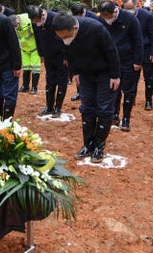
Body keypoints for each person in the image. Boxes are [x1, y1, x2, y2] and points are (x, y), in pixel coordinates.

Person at [51, 13, 120, 162]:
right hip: (84, 73)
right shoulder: (62, 33)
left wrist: (115, 75)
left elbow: (111, 51)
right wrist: (74, 72)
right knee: (87, 107)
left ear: (75, 28)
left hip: (105, 73)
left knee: (104, 108)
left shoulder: (96, 28)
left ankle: (99, 147)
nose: (64, 40)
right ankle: (87, 144)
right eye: (60, 37)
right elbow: (67, 52)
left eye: (66, 36)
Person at [96, 0, 143, 130]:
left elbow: (138, 40)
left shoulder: (130, 19)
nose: (107, 19)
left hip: (128, 59)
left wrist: (138, 61)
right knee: (114, 89)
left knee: (128, 90)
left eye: (109, 17)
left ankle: (126, 118)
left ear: (115, 11)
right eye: (104, 16)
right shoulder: (100, 20)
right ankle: (114, 115)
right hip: (110, 61)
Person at [27, 5, 68, 118]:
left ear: (43, 14)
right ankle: (49, 107)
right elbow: (37, 38)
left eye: (38, 20)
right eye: (34, 21)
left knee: (61, 81)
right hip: (48, 56)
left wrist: (66, 56)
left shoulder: (56, 19)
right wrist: (41, 54)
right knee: (50, 80)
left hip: (61, 56)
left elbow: (66, 37)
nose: (37, 23)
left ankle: (58, 108)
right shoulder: (35, 23)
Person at [121, 0, 153, 111]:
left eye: (131, 8)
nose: (129, 11)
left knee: (149, 77)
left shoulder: (147, 16)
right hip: (131, 52)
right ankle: (131, 99)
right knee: (132, 77)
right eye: (126, 9)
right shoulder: (122, 16)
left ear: (137, 5)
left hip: (146, 50)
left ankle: (148, 100)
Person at [10, 13, 40, 95]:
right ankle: (25, 86)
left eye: (16, 25)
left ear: (18, 21)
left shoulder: (28, 20)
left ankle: (34, 87)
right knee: (26, 67)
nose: (16, 27)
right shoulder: (12, 25)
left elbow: (38, 34)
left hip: (34, 48)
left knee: (35, 68)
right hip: (24, 49)